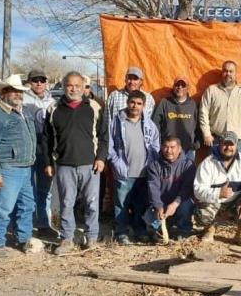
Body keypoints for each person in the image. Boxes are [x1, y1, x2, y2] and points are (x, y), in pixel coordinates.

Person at [44, 71, 108, 255]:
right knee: (66, 203)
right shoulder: (54, 108)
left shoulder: (94, 107)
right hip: (64, 164)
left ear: (83, 87)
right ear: (64, 87)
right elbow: (47, 139)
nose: (73, 89)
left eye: (77, 85)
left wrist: (101, 158)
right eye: (70, 85)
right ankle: (67, 239)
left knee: (92, 203)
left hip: (90, 164)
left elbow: (104, 136)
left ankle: (92, 238)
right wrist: (48, 162)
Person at [0, 75, 36, 257]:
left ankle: (23, 238)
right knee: (4, 208)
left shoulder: (23, 111)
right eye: (14, 90)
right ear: (4, 93)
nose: (18, 94)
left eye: (20, 91)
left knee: (27, 206)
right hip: (8, 168)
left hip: (26, 166)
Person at [108, 90, 160, 245]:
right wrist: (117, 163)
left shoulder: (149, 124)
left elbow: (156, 145)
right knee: (121, 205)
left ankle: (140, 231)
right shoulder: (117, 122)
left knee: (141, 205)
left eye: (139, 104)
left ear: (143, 106)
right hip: (124, 173)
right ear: (127, 102)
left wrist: (151, 165)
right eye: (132, 102)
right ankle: (121, 233)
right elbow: (110, 146)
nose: (135, 106)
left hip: (143, 173)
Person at [194, 131, 241, 247]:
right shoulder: (207, 163)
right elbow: (198, 189)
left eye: (231, 144)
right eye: (225, 144)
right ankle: (209, 230)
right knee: (202, 212)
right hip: (215, 202)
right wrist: (218, 193)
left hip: (235, 202)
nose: (228, 147)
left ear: (236, 145)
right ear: (219, 144)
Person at [21, 69, 58, 238]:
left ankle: (44, 224)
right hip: (27, 146)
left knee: (45, 189)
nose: (39, 83)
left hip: (46, 148)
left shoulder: (53, 101)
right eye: (35, 80)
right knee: (26, 189)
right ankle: (24, 226)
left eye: (42, 80)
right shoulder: (22, 99)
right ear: (29, 82)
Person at [199, 60, 241, 153]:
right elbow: (203, 113)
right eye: (225, 71)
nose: (228, 74)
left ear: (236, 73)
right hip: (216, 141)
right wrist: (206, 134)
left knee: (237, 168)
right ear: (222, 73)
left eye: (231, 71)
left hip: (238, 142)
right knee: (214, 168)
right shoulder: (211, 91)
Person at [145, 136, 196, 241]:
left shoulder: (188, 165)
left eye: (172, 147)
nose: (168, 151)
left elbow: (187, 189)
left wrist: (175, 204)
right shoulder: (154, 165)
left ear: (179, 149)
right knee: (153, 229)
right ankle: (162, 228)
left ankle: (183, 231)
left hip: (179, 202)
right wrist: (158, 206)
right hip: (162, 204)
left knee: (186, 204)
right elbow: (153, 188)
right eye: (165, 147)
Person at [152, 77, 199, 161]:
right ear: (173, 87)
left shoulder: (193, 104)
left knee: (187, 174)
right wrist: (159, 143)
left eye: (183, 85)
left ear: (188, 88)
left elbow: (199, 125)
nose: (179, 87)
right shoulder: (164, 103)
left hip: (188, 150)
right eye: (177, 85)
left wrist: (197, 143)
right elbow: (155, 124)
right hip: (168, 150)